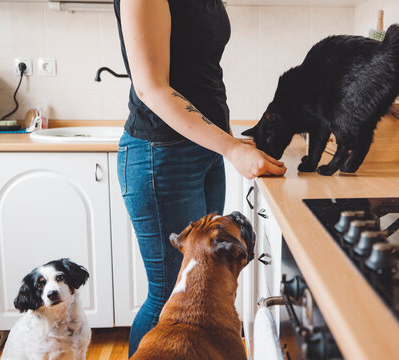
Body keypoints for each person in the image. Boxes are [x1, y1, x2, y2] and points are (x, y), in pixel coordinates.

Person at [113, 0, 287, 355]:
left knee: (202, 298)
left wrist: (226, 145)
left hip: (203, 152)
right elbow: (151, 88)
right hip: (161, 155)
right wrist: (232, 149)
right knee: (168, 297)